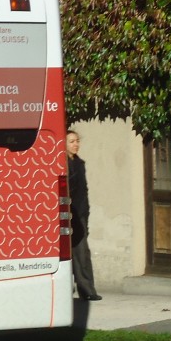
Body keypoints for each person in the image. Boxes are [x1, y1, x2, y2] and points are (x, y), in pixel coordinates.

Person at [66, 129, 101, 301]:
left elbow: (83, 191)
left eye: (77, 141)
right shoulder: (62, 164)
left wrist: (85, 215)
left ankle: (87, 289)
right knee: (67, 254)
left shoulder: (80, 164)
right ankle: (70, 288)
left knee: (81, 252)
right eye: (72, 141)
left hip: (79, 214)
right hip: (66, 214)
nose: (75, 144)